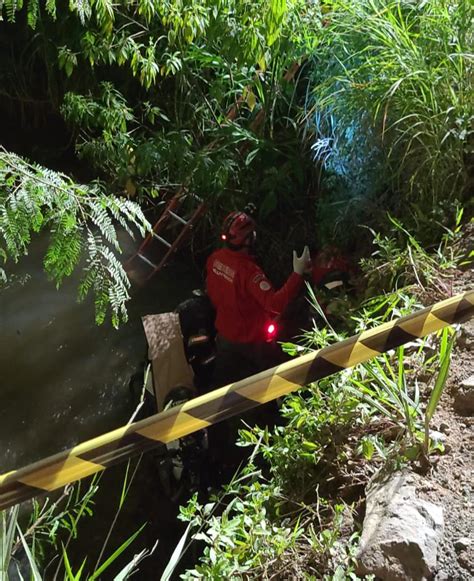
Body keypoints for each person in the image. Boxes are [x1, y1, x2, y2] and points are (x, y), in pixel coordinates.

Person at [206, 208, 311, 387]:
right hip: (251, 342)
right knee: (268, 383)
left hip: (224, 337)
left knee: (222, 384)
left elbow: (212, 292)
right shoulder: (249, 272)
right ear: (247, 239)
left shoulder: (214, 259)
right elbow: (274, 304)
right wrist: (297, 273)